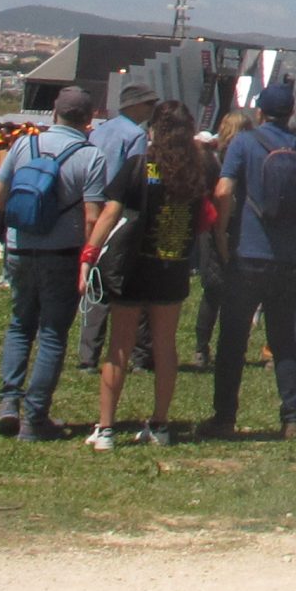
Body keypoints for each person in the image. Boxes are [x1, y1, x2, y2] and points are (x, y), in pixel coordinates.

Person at [81, 101, 210, 448]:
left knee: (119, 347)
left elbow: (110, 214)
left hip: (134, 265)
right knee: (165, 347)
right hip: (173, 264)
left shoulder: (140, 165)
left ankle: (106, 429)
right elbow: (204, 219)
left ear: (155, 131)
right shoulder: (196, 172)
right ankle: (161, 424)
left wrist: (89, 255)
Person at [0, 86, 111, 440]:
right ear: (88, 120)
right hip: (63, 252)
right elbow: (92, 216)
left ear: (54, 113)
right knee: (53, 334)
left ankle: (8, 402)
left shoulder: (24, 145)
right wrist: (90, 255)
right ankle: (35, 416)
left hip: (21, 247)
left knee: (19, 324)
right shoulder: (91, 156)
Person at [205, 81, 296, 439]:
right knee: (284, 338)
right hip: (290, 254)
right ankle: (292, 417)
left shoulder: (244, 142)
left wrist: (223, 234)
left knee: (233, 337)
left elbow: (224, 190)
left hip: (248, 252)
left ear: (259, 112)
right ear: (291, 113)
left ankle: (224, 417)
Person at [74, 78, 156, 374]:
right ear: (135, 105)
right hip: (124, 211)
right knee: (130, 284)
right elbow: (135, 175)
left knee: (96, 284)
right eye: (148, 103)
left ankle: (87, 356)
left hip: (94, 203)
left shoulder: (99, 131)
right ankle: (139, 355)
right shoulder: (135, 135)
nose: (151, 109)